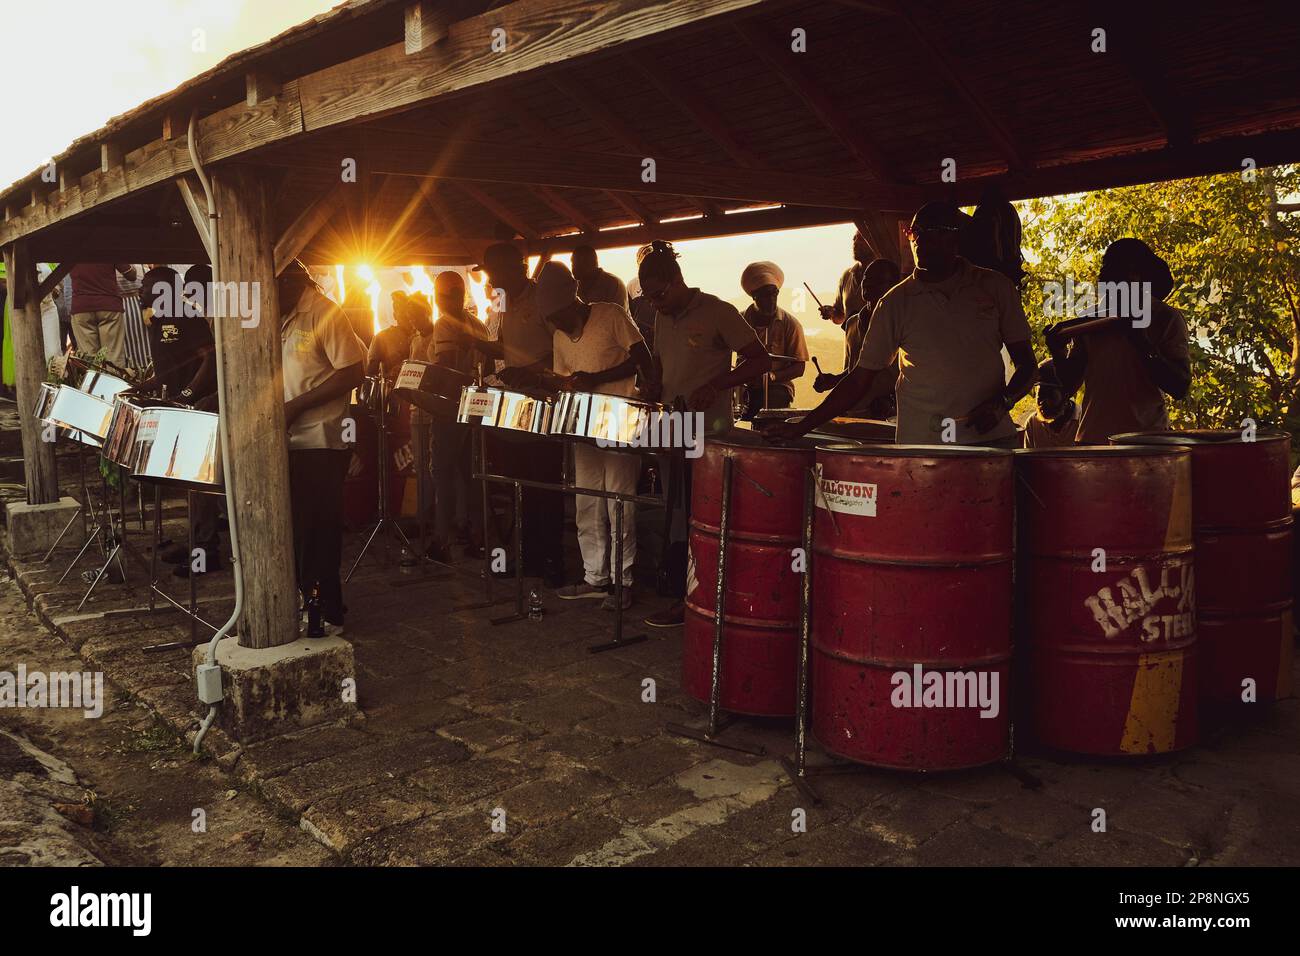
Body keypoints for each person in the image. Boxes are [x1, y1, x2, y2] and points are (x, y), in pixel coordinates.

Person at [771, 201, 1037, 448]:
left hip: (990, 440)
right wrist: (802, 427)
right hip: (922, 444)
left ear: (955, 237)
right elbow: (860, 378)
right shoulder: (896, 302)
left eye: (933, 231)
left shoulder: (994, 287)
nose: (920, 240)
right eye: (915, 232)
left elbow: (1027, 365)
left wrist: (1003, 403)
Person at [636, 240, 772, 627]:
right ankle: (686, 597)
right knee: (677, 515)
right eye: (649, 298)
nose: (656, 304)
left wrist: (717, 384)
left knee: (704, 518)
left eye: (660, 295)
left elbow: (760, 359)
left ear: (678, 280)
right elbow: (662, 366)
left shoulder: (718, 311)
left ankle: (705, 599)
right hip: (673, 426)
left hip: (709, 432)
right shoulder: (661, 316)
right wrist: (652, 387)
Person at [535, 261, 655, 611]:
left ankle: (623, 582)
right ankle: (595, 578)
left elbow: (642, 359)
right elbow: (565, 377)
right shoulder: (559, 336)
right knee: (587, 501)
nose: (559, 327)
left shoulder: (611, 314)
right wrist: (554, 382)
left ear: (573, 303)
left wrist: (597, 377)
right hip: (584, 425)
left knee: (620, 501)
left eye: (560, 318)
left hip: (618, 422)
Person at [455, 242, 565, 585]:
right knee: (521, 487)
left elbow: (563, 351)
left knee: (545, 486)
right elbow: (506, 348)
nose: (489, 280)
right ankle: (528, 557)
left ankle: (553, 563)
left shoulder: (543, 300)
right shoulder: (504, 304)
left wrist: (532, 371)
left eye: (493, 272)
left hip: (546, 405)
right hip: (517, 407)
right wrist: (477, 343)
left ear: (512, 268)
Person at [280, 259, 366, 635]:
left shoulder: (324, 312)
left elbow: (352, 371)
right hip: (292, 439)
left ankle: (328, 612)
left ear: (290, 282)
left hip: (322, 438)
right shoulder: (285, 314)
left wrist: (297, 405)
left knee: (318, 529)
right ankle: (309, 602)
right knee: (299, 529)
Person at [1045, 238, 1191, 445]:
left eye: (1112, 267)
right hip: (1093, 439)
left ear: (1136, 274)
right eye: (1103, 267)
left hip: (1147, 442)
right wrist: (1058, 352)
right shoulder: (1091, 319)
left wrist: (1140, 341)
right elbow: (1069, 386)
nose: (1102, 276)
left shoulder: (1164, 317)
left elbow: (1180, 386)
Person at [132, 265, 223, 577]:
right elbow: (168, 370)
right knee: (187, 479)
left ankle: (207, 551)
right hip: (181, 406)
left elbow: (210, 358)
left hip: (201, 407)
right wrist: (140, 388)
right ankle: (197, 541)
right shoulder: (158, 321)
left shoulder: (185, 314)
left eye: (146, 284)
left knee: (200, 479)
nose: (140, 290)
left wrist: (187, 395)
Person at [423, 273, 482, 561]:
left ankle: (440, 540)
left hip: (448, 409)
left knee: (442, 474)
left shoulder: (444, 323)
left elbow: (446, 368)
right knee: (469, 475)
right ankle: (473, 534)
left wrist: (425, 388)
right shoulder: (477, 323)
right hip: (473, 409)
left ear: (443, 295)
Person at [813, 258, 900, 409]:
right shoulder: (852, 324)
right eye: (866, 278)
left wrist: (891, 400)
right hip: (854, 410)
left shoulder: (900, 323)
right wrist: (834, 380)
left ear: (894, 286)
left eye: (878, 280)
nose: (868, 283)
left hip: (889, 415)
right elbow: (856, 370)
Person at [739, 261, 808, 412]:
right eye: (764, 295)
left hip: (777, 387)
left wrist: (771, 377)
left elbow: (799, 367)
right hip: (744, 386)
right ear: (754, 296)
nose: (771, 300)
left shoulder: (791, 324)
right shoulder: (739, 321)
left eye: (774, 293)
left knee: (773, 401)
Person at [70, 263, 136, 368]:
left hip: (81, 307)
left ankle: (91, 383)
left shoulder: (72, 249)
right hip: (109, 306)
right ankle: (114, 382)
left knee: (89, 360)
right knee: (113, 357)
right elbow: (131, 275)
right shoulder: (108, 247)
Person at [820, 228, 873, 328]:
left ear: (873, 242)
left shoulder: (882, 274)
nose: (855, 243)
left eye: (861, 239)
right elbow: (840, 316)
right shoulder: (847, 276)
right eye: (854, 238)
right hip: (850, 343)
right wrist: (831, 312)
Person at [1020, 359, 1080, 448]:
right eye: (1040, 395)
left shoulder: (1081, 420)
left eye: (1050, 395)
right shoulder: (1033, 423)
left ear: (1066, 395)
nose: (1044, 401)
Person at [571, 244, 628, 309]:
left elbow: (617, 316)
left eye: (577, 263)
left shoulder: (613, 284)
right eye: (573, 264)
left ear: (591, 263)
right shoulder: (574, 286)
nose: (573, 269)